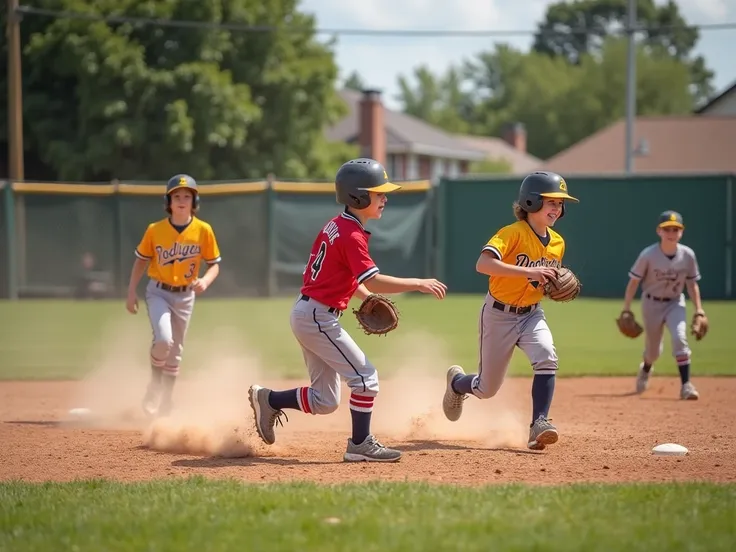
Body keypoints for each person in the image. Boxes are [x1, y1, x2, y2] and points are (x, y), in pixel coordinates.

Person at [248, 158, 447, 462]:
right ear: (358, 197)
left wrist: (364, 297)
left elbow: (345, 277)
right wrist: (417, 283)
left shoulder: (337, 225)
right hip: (317, 317)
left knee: (325, 400)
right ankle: (360, 444)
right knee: (366, 379)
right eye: (378, 193)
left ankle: (269, 399)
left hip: (310, 314)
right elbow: (375, 280)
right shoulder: (351, 235)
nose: (384, 198)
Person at [441, 171, 578, 451]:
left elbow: (540, 280)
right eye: (551, 201)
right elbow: (483, 264)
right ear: (531, 202)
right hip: (498, 315)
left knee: (547, 356)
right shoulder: (511, 233)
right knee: (486, 389)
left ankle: (539, 423)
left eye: (560, 204)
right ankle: (457, 384)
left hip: (531, 314)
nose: (557, 208)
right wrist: (530, 270)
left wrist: (552, 285)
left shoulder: (557, 242)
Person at [125, 174, 221, 417]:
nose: (181, 200)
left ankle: (166, 401)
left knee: (176, 351)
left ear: (194, 201)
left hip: (186, 296)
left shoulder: (203, 230)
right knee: (164, 341)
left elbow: (214, 264)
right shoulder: (155, 230)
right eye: (176, 196)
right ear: (168, 201)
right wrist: (130, 291)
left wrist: (206, 281)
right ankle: (154, 386)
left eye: (186, 196)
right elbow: (140, 261)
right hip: (159, 292)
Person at [622, 210, 703, 400]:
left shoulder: (687, 255)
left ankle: (686, 385)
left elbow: (692, 284)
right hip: (651, 304)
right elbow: (634, 282)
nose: (671, 233)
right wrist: (626, 308)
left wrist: (699, 310)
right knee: (653, 351)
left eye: (676, 229)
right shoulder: (648, 255)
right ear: (659, 231)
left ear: (681, 232)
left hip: (676, 302)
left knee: (680, 337)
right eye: (667, 229)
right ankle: (647, 367)